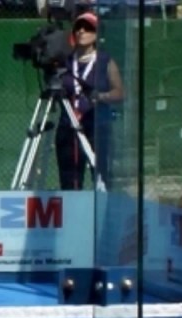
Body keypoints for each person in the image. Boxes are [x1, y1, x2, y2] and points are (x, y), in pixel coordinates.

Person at [56, 12, 122, 190]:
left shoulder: (105, 61)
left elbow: (119, 93)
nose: (82, 31)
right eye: (78, 27)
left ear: (96, 34)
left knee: (102, 178)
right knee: (70, 181)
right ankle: (74, 215)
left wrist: (100, 96)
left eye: (88, 28)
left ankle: (103, 214)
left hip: (96, 127)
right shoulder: (65, 62)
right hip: (69, 128)